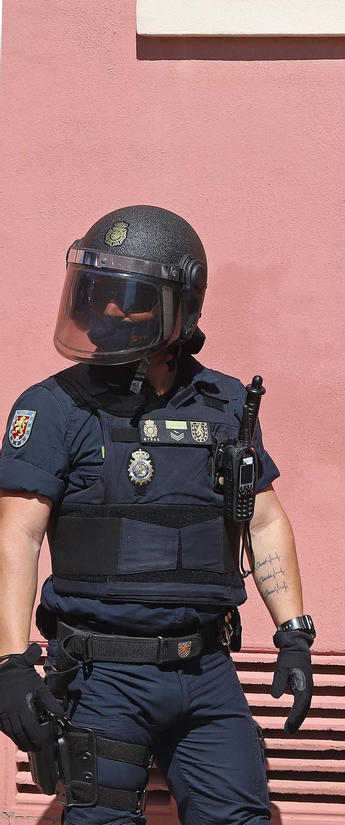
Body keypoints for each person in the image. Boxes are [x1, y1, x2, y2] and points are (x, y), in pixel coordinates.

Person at [0, 206, 315, 824]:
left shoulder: (225, 403)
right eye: (100, 295)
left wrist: (294, 634)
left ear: (183, 307)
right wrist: (12, 664)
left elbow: (265, 520)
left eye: (131, 299)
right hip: (101, 675)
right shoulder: (53, 409)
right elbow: (16, 537)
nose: (111, 313)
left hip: (207, 672)